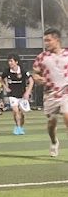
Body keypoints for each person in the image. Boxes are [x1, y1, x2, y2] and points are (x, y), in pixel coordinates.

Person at [32, 27, 68, 157]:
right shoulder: (42, 57)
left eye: (48, 40)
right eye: (45, 41)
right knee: (52, 123)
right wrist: (38, 78)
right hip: (50, 94)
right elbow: (35, 73)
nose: (46, 43)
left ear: (57, 39)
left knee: (67, 116)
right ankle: (54, 141)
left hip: (65, 93)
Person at [1, 56, 33, 135]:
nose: (10, 63)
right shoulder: (7, 71)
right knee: (15, 111)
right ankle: (18, 127)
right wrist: (5, 87)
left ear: (16, 62)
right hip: (12, 94)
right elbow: (0, 79)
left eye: (11, 61)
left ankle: (20, 127)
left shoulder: (23, 70)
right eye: (9, 61)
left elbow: (31, 81)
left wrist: (27, 92)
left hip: (22, 95)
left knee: (22, 114)